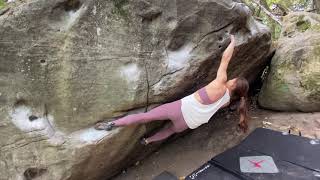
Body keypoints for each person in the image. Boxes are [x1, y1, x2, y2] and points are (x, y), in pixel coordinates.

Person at [95, 35, 249, 145]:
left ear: (234, 83)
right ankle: (148, 140)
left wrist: (233, 41)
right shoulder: (227, 101)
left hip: (180, 109)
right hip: (188, 123)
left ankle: (113, 124)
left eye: (234, 79)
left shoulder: (221, 83)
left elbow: (225, 59)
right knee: (169, 131)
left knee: (146, 117)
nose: (232, 78)